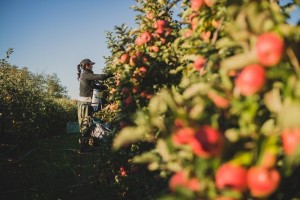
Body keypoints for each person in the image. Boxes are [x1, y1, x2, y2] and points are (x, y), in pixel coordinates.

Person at [76, 58, 112, 152]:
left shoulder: (87, 75)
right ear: (86, 66)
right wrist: (111, 74)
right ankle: (83, 148)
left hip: (87, 103)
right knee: (85, 124)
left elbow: (94, 86)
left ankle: (89, 144)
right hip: (84, 104)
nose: (92, 66)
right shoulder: (85, 75)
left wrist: (103, 87)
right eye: (90, 64)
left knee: (89, 122)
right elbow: (99, 77)